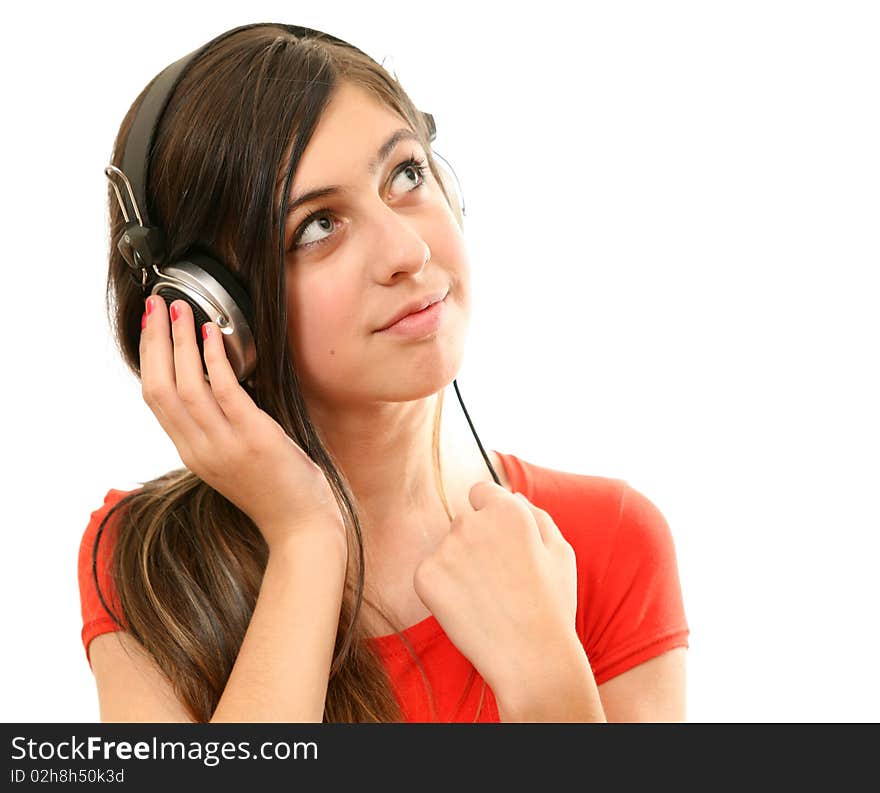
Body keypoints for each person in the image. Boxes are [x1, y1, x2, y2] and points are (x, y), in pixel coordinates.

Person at [78, 23, 690, 723]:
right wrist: (308, 538)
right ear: (213, 312)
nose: (407, 248)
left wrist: (549, 680)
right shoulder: (150, 565)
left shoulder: (608, 538)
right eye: (317, 225)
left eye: (405, 174)